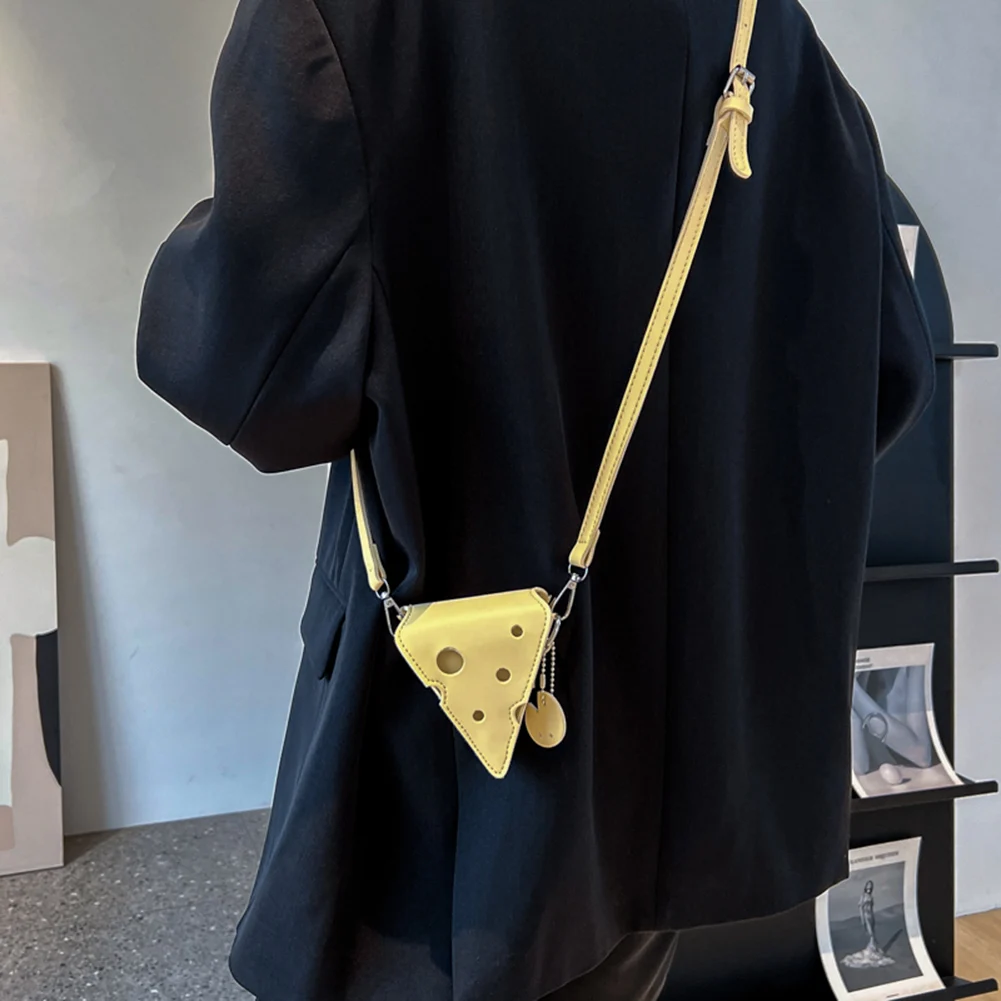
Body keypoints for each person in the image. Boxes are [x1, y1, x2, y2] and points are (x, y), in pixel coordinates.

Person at [136, 0, 934, 998]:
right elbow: (882, 368)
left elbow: (248, 380)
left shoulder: (358, 18)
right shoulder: (764, 27)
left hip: (451, 773)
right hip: (679, 760)